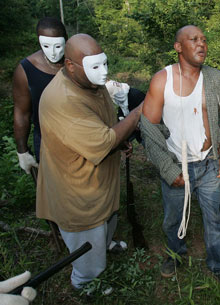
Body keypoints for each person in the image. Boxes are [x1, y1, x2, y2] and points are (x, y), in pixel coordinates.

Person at [36, 34, 142, 291]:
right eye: (95, 66)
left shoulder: (89, 84)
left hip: (99, 176)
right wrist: (141, 109)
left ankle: (104, 246)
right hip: (77, 188)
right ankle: (85, 282)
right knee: (88, 233)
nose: (104, 72)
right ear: (70, 65)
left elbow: (103, 129)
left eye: (104, 63)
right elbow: (104, 140)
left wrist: (119, 140)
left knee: (106, 220)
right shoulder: (63, 100)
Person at [140, 25, 220, 296]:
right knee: (173, 219)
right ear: (178, 46)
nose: (201, 44)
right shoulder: (162, 80)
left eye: (204, 40)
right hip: (176, 165)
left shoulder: (215, 78)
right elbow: (148, 128)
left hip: (209, 163)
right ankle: (174, 254)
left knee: (218, 219)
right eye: (194, 39)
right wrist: (167, 168)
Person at [13, 17, 67, 172]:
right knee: (52, 191)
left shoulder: (76, 61)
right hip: (46, 141)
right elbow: (21, 113)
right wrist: (22, 151)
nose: (53, 52)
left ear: (66, 40)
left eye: (58, 46)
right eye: (46, 46)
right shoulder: (26, 70)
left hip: (81, 135)